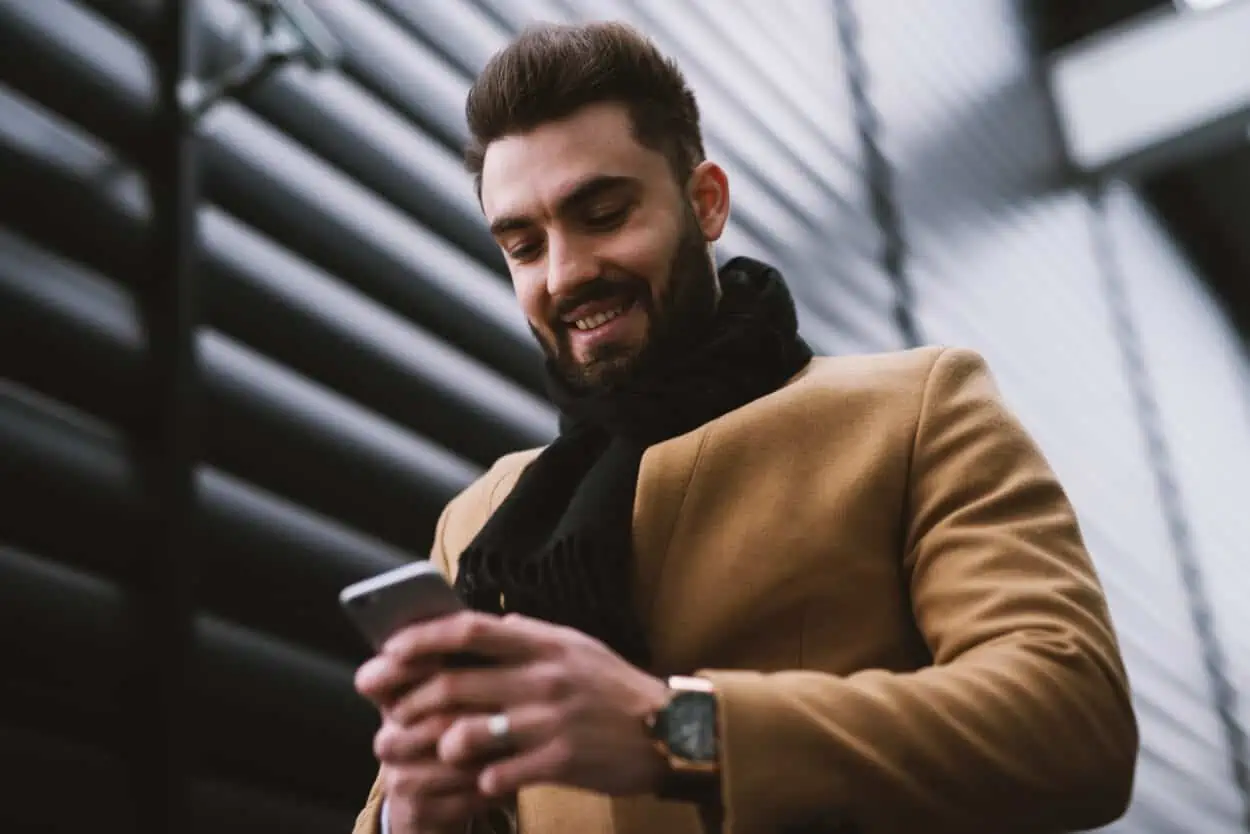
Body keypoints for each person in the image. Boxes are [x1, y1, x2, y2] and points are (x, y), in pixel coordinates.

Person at [350, 20, 1138, 834]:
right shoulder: (477, 523)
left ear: (706, 202)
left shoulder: (914, 411)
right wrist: (410, 816)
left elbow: (1073, 720)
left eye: (605, 212)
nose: (566, 272)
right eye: (523, 245)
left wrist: (674, 730)